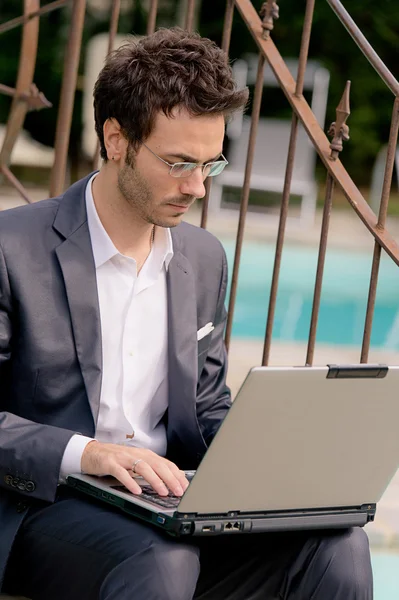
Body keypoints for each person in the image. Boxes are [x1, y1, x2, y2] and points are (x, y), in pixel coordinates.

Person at [0, 27, 372, 600]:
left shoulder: (202, 258)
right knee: (164, 558)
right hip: (46, 507)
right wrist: (88, 453)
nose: (197, 187)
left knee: (336, 542)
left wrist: (266, 463)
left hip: (165, 506)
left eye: (211, 164)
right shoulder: (10, 248)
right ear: (116, 139)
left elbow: (205, 406)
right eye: (178, 163)